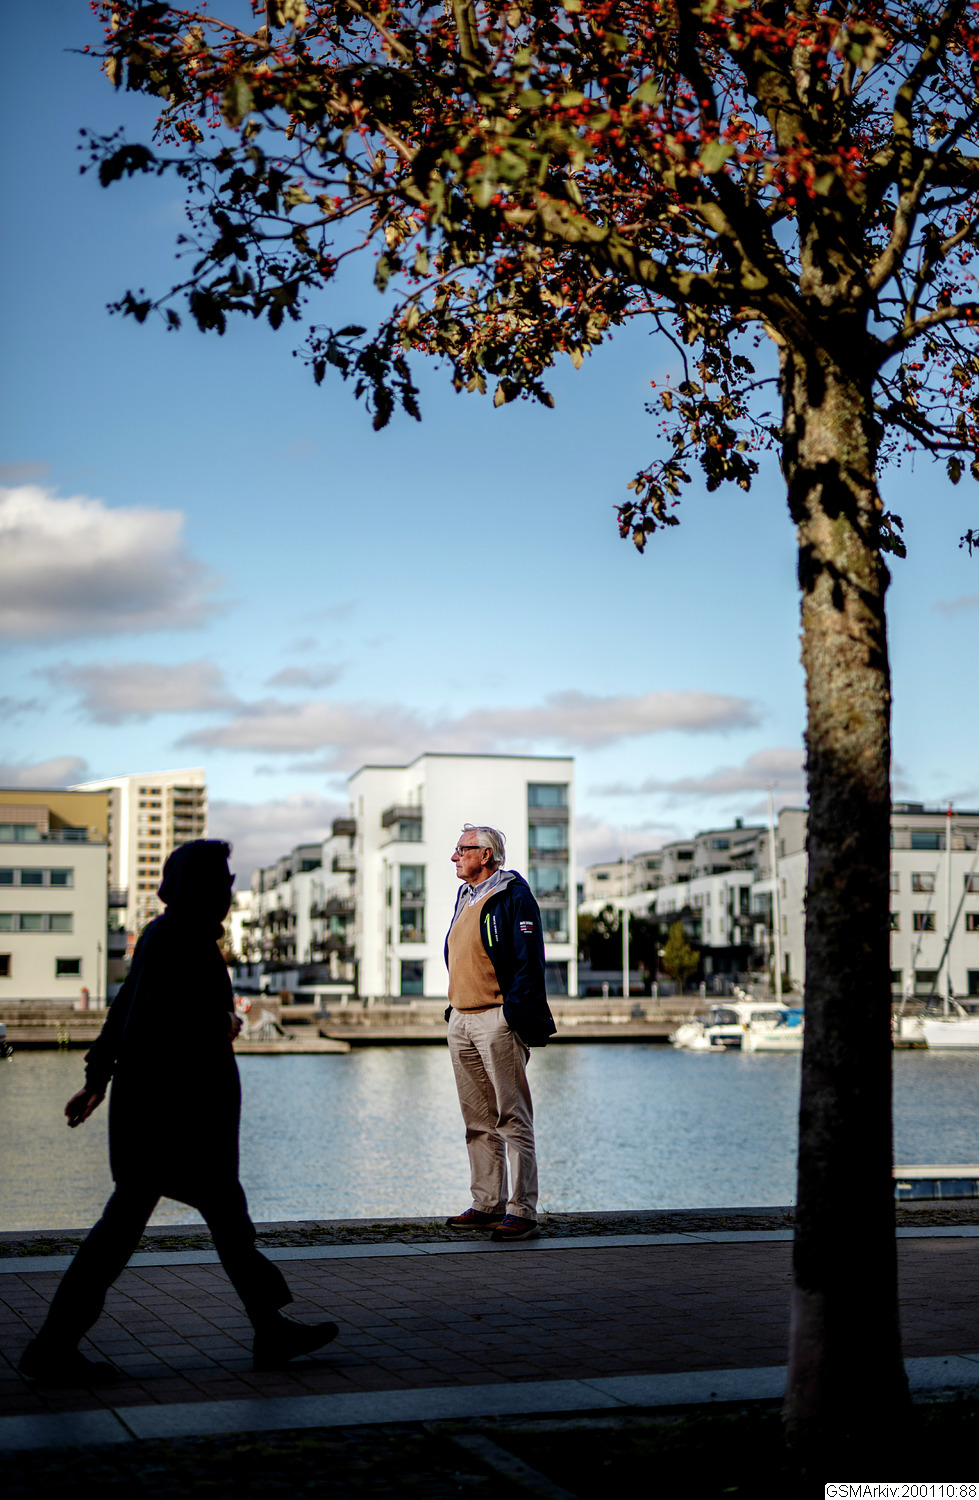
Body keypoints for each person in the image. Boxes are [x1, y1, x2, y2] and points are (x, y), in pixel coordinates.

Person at [18, 840, 338, 1385]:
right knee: (139, 1229)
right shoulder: (180, 940)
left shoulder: (167, 935)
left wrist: (97, 1079)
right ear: (203, 887)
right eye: (224, 882)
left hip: (166, 1114)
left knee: (210, 1221)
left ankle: (269, 1328)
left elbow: (125, 1010)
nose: (231, 891)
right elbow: (161, 1020)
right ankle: (52, 1347)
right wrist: (220, 1024)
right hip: (175, 1118)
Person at [443, 824, 555, 1243]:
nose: (454, 857)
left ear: (486, 854)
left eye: (462, 849)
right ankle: (487, 1203)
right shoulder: (465, 895)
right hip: (461, 1019)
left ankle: (522, 1210)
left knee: (512, 1117)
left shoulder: (513, 896)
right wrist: (453, 1011)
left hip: (496, 1019)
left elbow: (529, 962)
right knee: (477, 1120)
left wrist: (510, 1014)